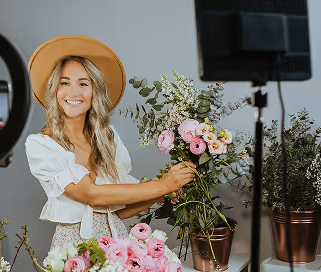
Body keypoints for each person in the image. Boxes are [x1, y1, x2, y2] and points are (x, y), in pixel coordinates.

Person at [25, 35, 195, 252]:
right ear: (54, 90)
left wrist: (165, 190)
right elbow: (91, 195)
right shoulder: (42, 145)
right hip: (73, 250)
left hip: (117, 246)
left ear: (94, 90)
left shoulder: (108, 138)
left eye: (83, 83)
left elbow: (118, 211)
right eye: (64, 83)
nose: (74, 92)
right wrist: (163, 184)